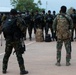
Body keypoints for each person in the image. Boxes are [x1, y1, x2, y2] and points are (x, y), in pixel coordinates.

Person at [1, 9, 28, 74]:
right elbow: (23, 29)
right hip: (16, 40)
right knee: (19, 55)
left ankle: (4, 69)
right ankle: (22, 70)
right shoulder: (18, 19)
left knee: (7, 54)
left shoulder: (6, 20)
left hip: (8, 40)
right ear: (16, 13)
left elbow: (2, 28)